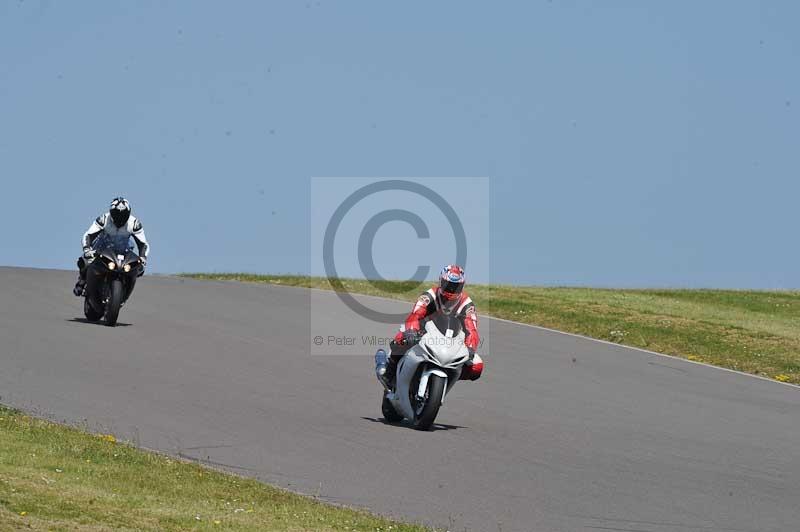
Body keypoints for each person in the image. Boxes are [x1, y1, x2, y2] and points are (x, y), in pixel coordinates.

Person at [377, 265, 483, 387]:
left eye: (455, 287)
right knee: (402, 339)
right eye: (448, 285)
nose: (451, 290)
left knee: (476, 367)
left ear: (462, 286)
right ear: (441, 282)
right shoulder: (429, 296)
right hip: (424, 333)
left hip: (452, 341)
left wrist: (470, 349)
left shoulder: (467, 305)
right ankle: (389, 372)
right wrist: (412, 331)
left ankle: (447, 377)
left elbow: (472, 329)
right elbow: (415, 314)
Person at [73, 197, 150, 296]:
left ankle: (125, 289)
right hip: (101, 248)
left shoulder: (134, 223)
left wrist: (143, 257)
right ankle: (82, 281)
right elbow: (88, 235)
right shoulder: (104, 219)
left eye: (123, 215)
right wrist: (87, 249)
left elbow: (143, 244)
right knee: (85, 260)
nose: (120, 217)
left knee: (138, 269)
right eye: (117, 214)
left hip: (123, 251)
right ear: (111, 213)